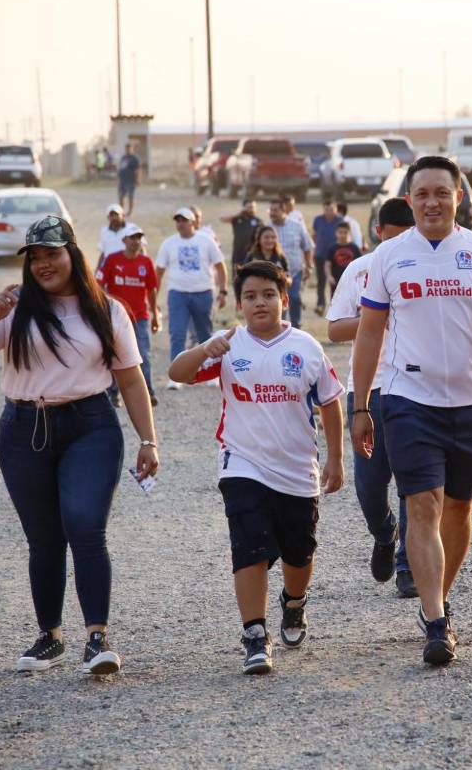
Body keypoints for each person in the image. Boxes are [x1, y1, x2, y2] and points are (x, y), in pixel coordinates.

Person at [0, 215, 159, 676]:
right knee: (43, 537)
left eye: (53, 254)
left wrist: (149, 440)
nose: (44, 264)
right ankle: (50, 636)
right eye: (35, 257)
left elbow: (130, 380)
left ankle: (97, 638)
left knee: (85, 524)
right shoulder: (14, 308)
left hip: (91, 427)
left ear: (73, 254)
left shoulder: (107, 309)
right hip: (23, 430)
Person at [351, 156, 472, 665]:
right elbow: (368, 334)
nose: (432, 202)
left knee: (458, 508)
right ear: (409, 200)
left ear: (458, 198)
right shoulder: (388, 256)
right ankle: (438, 622)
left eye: (441, 193)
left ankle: (436, 600)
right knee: (422, 504)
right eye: (422, 194)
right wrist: (361, 406)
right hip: (408, 400)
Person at [168, 260, 344, 675]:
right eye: (250, 296)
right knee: (248, 544)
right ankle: (254, 634)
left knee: (299, 552)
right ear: (239, 304)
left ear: (284, 300)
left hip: (297, 469)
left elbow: (330, 402)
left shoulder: (306, 347)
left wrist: (336, 457)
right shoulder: (228, 344)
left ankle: (294, 602)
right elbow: (177, 372)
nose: (259, 303)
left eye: (268, 295)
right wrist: (203, 350)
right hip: (242, 463)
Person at [326, 196, 417, 596]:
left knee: (413, 481)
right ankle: (384, 533)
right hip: (367, 388)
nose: (398, 245)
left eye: (406, 237)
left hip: (413, 388)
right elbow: (334, 329)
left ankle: (409, 565)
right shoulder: (360, 269)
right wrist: (375, 316)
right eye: (391, 238)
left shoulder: (423, 268)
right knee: (369, 485)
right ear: (378, 233)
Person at [155, 207, 228, 390]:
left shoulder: (206, 240)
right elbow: (159, 272)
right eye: (178, 220)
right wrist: (154, 298)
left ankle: (211, 373)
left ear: (193, 222)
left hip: (203, 292)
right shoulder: (169, 244)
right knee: (177, 333)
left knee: (205, 334)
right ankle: (176, 376)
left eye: (184, 220)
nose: (180, 223)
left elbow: (220, 266)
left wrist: (223, 291)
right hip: (178, 293)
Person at [97, 223, 160, 406]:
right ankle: (113, 393)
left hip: (139, 317)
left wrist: (155, 314)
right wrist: (103, 306)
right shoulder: (112, 259)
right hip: (115, 316)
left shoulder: (146, 262)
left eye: (139, 237)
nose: (136, 241)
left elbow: (152, 290)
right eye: (132, 237)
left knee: (143, 354)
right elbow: (98, 284)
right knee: (114, 354)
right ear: (124, 240)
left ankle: (148, 392)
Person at [269, 198, 313, 328]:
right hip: (274, 274)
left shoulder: (297, 226)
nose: (272, 213)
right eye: (271, 210)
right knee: (278, 301)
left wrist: (309, 266)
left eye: (275, 210)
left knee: (294, 298)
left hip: (294, 272)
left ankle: (296, 328)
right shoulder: (267, 228)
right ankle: (279, 328)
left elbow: (307, 247)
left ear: (284, 211)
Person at [311, 199, 343, 314]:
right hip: (320, 254)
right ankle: (320, 304)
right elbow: (315, 235)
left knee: (335, 281)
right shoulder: (318, 220)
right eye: (326, 210)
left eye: (331, 210)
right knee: (321, 281)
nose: (329, 212)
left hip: (335, 255)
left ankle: (335, 305)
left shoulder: (340, 220)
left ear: (336, 209)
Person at [220, 198, 262, 284]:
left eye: (253, 207)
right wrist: (238, 214)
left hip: (252, 254)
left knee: (251, 278)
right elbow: (222, 219)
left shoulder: (258, 221)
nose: (252, 209)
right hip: (238, 254)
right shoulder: (237, 219)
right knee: (237, 278)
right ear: (244, 208)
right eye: (249, 207)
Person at [324, 221, 361, 295]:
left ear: (349, 233)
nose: (343, 235)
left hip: (351, 282)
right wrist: (329, 276)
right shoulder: (332, 248)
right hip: (336, 282)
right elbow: (327, 264)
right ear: (336, 233)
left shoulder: (354, 248)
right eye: (340, 232)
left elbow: (360, 265)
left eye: (345, 232)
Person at [98, 204, 128, 269]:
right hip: (109, 266)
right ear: (108, 217)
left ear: (123, 216)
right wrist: (98, 269)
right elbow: (103, 252)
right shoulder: (104, 231)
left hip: (126, 266)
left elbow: (141, 249)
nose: (114, 218)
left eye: (116, 215)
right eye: (111, 215)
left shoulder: (131, 229)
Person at [117, 144, 141, 216]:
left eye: (129, 149)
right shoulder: (123, 158)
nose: (128, 150)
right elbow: (120, 169)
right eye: (126, 149)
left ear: (132, 149)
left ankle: (130, 212)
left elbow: (138, 170)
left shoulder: (135, 158)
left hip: (131, 181)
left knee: (130, 197)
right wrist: (119, 179)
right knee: (121, 196)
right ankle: (121, 211)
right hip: (122, 181)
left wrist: (138, 179)